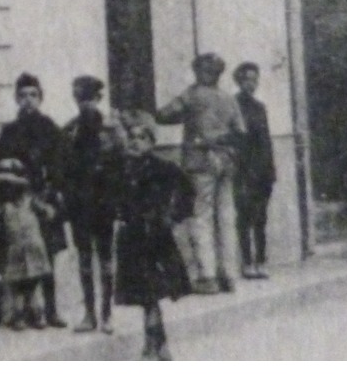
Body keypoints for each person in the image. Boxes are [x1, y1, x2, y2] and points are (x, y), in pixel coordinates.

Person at [155, 52, 244, 293]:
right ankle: (230, 275)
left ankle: (208, 276)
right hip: (226, 161)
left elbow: (164, 115)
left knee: (201, 217)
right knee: (226, 217)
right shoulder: (228, 98)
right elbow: (240, 131)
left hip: (200, 161)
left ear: (202, 72)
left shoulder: (192, 95)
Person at [115, 111, 194, 360]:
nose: (136, 142)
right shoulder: (122, 169)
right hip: (131, 239)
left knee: (151, 294)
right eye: (132, 137)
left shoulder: (164, 167)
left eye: (142, 137)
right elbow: (109, 196)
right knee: (145, 295)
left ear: (151, 142)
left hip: (157, 238)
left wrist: (173, 216)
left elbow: (188, 191)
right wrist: (118, 215)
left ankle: (153, 345)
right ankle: (158, 344)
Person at [0, 72, 69, 327]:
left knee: (47, 254)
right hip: (18, 200)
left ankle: (51, 309)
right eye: (23, 95)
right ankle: (25, 310)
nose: (28, 100)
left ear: (41, 98)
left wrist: (49, 196)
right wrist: (6, 164)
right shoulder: (9, 131)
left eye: (33, 95)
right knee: (23, 255)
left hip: (44, 199)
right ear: (16, 98)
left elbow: (61, 166)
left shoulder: (50, 128)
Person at [59, 74, 127, 333]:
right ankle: (89, 314)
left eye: (90, 98)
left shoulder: (112, 130)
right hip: (80, 203)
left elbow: (122, 166)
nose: (85, 103)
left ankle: (107, 314)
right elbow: (62, 168)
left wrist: (120, 201)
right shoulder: (68, 130)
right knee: (85, 258)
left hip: (104, 201)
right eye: (80, 98)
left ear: (99, 98)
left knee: (107, 258)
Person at [0, 158, 51, 330]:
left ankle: (36, 314)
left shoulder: (29, 201)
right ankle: (19, 315)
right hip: (15, 249)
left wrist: (47, 210)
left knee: (31, 285)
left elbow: (46, 212)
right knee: (17, 286)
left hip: (32, 247)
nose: (10, 190)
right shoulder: (4, 207)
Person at [232, 62, 276, 279]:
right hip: (243, 169)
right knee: (244, 217)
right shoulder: (233, 105)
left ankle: (261, 260)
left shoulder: (260, 108)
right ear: (239, 81)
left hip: (262, 171)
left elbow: (266, 141)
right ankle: (247, 262)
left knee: (261, 218)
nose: (251, 84)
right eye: (247, 79)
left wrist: (270, 170)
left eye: (254, 79)